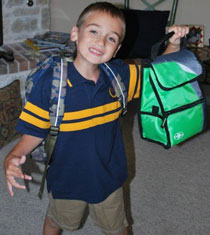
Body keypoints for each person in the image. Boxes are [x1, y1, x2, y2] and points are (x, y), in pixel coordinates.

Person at [4, 2, 189, 235]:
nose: (101, 42)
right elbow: (32, 134)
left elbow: (160, 73)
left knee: (118, 227)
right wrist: (12, 157)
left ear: (118, 48)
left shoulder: (119, 76)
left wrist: (173, 43)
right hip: (66, 179)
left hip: (108, 177)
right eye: (94, 31)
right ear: (75, 33)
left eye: (111, 38)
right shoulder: (51, 85)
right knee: (56, 221)